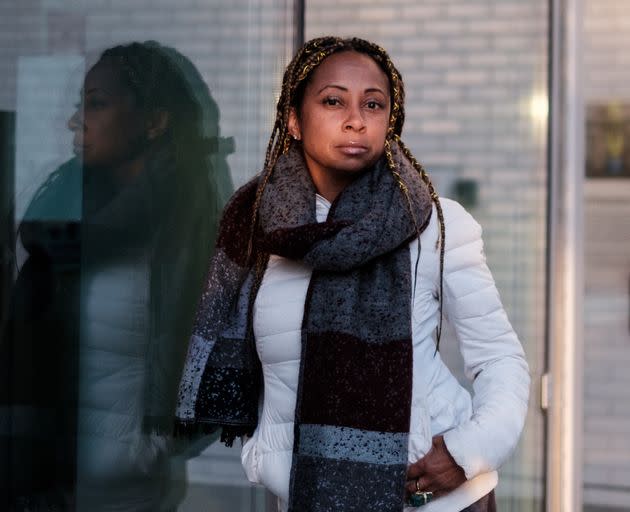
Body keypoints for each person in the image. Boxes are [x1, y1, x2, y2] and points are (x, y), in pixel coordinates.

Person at [175, 36, 530, 512]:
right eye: (333, 100)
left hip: (434, 498)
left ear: (389, 121)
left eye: (373, 104)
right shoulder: (258, 231)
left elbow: (500, 359)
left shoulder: (436, 226)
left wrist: (466, 452)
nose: (355, 119)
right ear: (294, 120)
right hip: (307, 494)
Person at [1, 41, 232, 510]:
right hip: (42, 480)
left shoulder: (184, 226)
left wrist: (151, 449)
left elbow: (214, 353)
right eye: (78, 105)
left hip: (125, 487)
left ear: (154, 121)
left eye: (97, 104)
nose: (75, 121)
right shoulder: (62, 209)